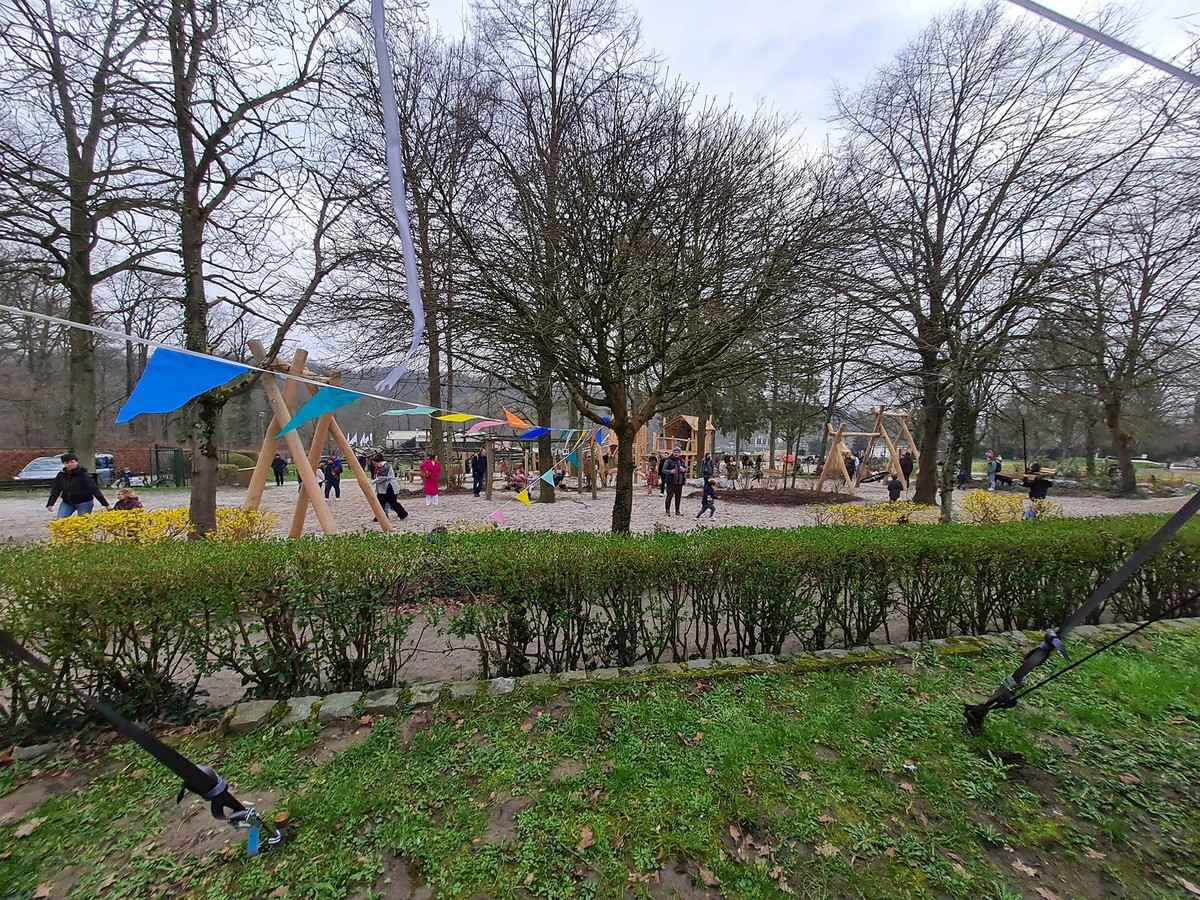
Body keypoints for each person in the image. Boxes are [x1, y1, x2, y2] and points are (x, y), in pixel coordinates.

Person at [47, 453, 110, 518]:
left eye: (72, 462)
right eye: (67, 462)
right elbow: (56, 489)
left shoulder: (84, 475)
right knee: (60, 520)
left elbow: (94, 489)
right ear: (64, 463)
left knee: (82, 522)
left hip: (84, 502)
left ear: (76, 462)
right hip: (67, 502)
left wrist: (105, 504)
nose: (70, 464)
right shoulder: (61, 475)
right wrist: (50, 503)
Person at [370, 453, 408, 521]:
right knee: (381, 503)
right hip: (384, 488)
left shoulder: (385, 466)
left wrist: (373, 481)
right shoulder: (382, 466)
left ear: (379, 461)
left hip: (389, 488)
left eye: (375, 463)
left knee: (392, 503)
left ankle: (403, 514)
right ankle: (380, 517)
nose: (374, 465)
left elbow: (383, 477)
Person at [662, 446, 687, 516]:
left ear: (679, 453)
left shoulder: (681, 460)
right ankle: (667, 510)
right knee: (669, 497)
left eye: (677, 452)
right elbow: (664, 470)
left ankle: (677, 510)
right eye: (675, 452)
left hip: (679, 482)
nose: (676, 453)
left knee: (678, 497)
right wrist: (670, 471)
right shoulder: (668, 461)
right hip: (671, 482)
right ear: (673, 453)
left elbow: (686, 468)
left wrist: (684, 470)